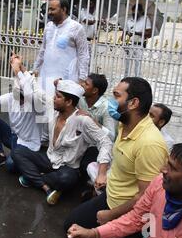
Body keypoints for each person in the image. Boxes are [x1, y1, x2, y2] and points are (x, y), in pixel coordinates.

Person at [63, 77, 169, 238]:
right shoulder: (124, 124)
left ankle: (136, 237)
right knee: (70, 225)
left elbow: (145, 198)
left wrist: (111, 215)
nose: (111, 101)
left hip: (131, 212)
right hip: (110, 196)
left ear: (133, 103)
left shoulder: (149, 143)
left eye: (116, 96)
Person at [67, 141, 182, 238]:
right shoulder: (159, 185)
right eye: (166, 163)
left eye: (172, 168)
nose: (163, 170)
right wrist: (93, 233)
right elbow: (136, 218)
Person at [12, 56, 113, 205]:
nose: (53, 98)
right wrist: (22, 70)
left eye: (58, 97)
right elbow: (36, 90)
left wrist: (102, 173)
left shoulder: (82, 119)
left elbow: (106, 141)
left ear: (69, 102)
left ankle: (33, 177)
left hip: (68, 167)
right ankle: (45, 186)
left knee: (66, 179)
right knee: (17, 152)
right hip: (49, 159)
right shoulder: (53, 108)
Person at [32, 0, 90, 94]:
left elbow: (83, 54)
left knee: (60, 106)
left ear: (63, 9)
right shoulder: (48, 27)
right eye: (49, 9)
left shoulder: (76, 28)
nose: (49, 12)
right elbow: (43, 50)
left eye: (52, 9)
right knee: (43, 103)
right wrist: (35, 68)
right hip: (46, 75)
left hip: (65, 79)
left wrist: (82, 78)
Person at [78, 73, 118, 195]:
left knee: (85, 165)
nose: (82, 85)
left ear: (95, 90)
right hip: (81, 140)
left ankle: (94, 190)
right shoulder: (81, 99)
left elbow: (111, 136)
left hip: (98, 146)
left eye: (86, 84)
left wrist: (94, 121)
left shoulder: (106, 107)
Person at [123, 3, 152, 77]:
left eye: (137, 11)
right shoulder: (129, 20)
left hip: (139, 45)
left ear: (141, 11)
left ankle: (137, 81)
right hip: (129, 45)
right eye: (133, 11)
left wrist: (137, 33)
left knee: (137, 66)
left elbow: (149, 33)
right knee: (127, 66)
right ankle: (126, 80)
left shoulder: (145, 19)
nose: (135, 13)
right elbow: (124, 33)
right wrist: (123, 42)